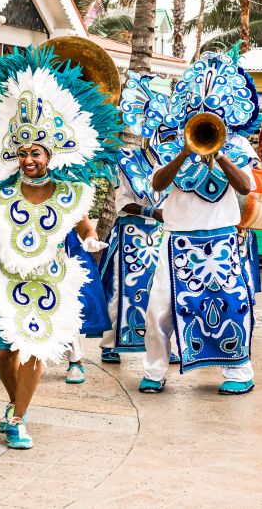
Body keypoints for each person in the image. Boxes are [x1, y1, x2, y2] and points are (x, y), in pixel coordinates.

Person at [0, 46, 121, 449]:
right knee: (4, 353)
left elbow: (81, 226)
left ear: (51, 154)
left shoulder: (71, 193)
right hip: (2, 276)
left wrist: (91, 240)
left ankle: (19, 417)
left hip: (48, 278)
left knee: (34, 346)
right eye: (24, 152)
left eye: (37, 152)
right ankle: (15, 405)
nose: (29, 159)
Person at [122, 48, 262, 396]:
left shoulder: (239, 144)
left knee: (231, 307)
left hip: (222, 240)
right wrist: (186, 150)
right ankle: (155, 371)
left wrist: (220, 154)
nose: (203, 117)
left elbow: (245, 186)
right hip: (176, 240)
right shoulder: (172, 146)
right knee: (158, 311)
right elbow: (156, 184)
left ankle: (238, 372)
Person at [96, 143, 165, 363]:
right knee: (119, 290)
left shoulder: (176, 161)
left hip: (160, 233)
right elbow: (122, 203)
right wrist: (152, 211)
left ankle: (162, 345)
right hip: (130, 232)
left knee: (159, 291)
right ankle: (111, 344)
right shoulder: (126, 159)